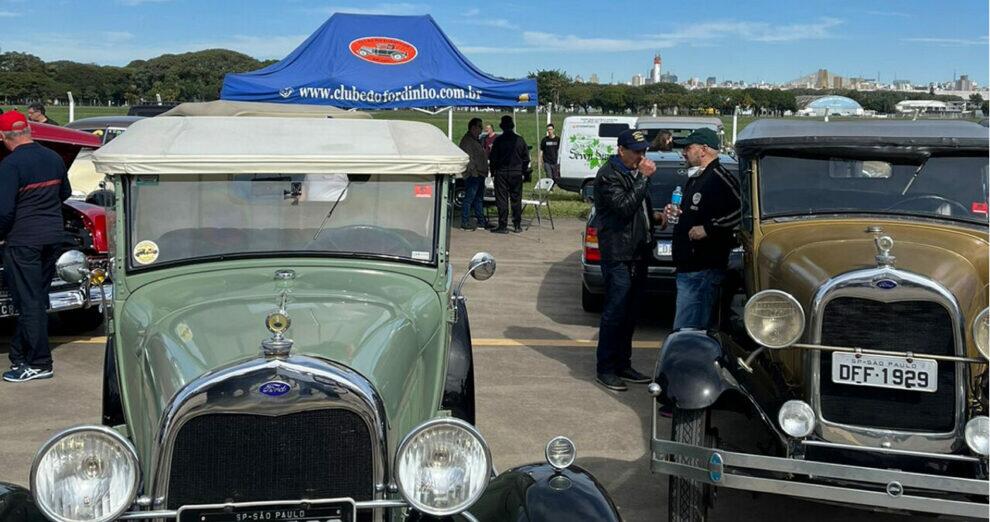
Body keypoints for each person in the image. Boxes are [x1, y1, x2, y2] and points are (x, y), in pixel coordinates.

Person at [0, 111, 72, 382]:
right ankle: (20, 354)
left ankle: (41, 363)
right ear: (29, 129)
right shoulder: (53, 157)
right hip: (52, 238)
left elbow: (4, 210)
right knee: (37, 299)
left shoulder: (10, 165)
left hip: (23, 241)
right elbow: (64, 193)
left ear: (3, 136)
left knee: (28, 302)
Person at [592, 129, 658, 391]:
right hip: (618, 253)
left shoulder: (633, 172)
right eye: (636, 152)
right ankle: (605, 368)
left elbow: (639, 209)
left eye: (644, 152)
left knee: (631, 313)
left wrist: (654, 219)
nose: (641, 157)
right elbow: (623, 207)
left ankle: (623, 363)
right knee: (615, 312)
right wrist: (643, 178)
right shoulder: (609, 175)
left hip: (637, 251)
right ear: (621, 150)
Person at [665, 127, 741, 331]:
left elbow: (742, 211)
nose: (684, 152)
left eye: (688, 148)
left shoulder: (719, 177)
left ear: (704, 149)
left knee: (688, 330)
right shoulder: (697, 177)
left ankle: (686, 362)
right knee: (685, 328)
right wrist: (678, 212)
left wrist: (709, 228)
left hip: (703, 269)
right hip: (688, 267)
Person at [488, 115, 529, 234]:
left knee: (502, 200)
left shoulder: (499, 140)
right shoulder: (520, 140)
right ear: (512, 126)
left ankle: (503, 225)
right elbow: (526, 158)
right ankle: (517, 225)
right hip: (516, 173)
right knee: (516, 199)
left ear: (502, 127)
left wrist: (493, 171)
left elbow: (493, 158)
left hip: (501, 172)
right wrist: (523, 170)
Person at [458, 118, 491, 230]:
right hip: (473, 175)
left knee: (478, 199)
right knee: (469, 199)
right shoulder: (467, 141)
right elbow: (469, 158)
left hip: (480, 174)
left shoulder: (476, 140)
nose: (481, 130)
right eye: (480, 127)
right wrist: (474, 172)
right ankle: (465, 222)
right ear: (473, 128)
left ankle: (481, 222)